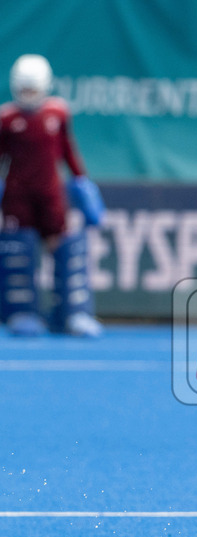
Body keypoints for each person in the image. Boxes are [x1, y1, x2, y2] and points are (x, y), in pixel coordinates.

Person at [0, 54, 105, 337]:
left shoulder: (57, 114)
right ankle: (21, 312)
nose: (28, 95)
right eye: (24, 89)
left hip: (51, 196)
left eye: (33, 89)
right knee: (18, 252)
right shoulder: (7, 118)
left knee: (64, 249)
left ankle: (70, 312)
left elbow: (68, 151)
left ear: (45, 86)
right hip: (17, 197)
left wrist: (82, 183)